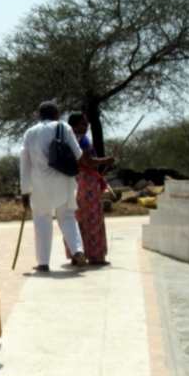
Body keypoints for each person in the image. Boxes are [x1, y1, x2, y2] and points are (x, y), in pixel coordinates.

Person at [20, 100, 87, 271]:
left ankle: (43, 262)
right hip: (63, 180)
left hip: (40, 183)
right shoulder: (64, 127)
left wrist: (25, 191)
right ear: (56, 114)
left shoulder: (30, 132)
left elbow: (25, 163)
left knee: (42, 220)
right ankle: (78, 251)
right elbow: (78, 153)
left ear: (40, 115)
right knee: (67, 217)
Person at [65, 113, 116, 266]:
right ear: (74, 126)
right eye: (82, 124)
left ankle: (76, 253)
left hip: (72, 181)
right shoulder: (84, 140)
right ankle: (96, 256)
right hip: (87, 182)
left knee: (76, 216)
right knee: (93, 217)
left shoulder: (67, 139)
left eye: (86, 124)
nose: (85, 127)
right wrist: (106, 160)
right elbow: (87, 161)